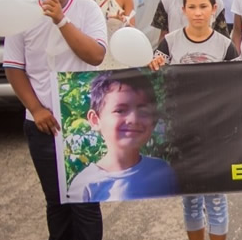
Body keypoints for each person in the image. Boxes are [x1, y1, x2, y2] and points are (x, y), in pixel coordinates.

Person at [4, 0, 106, 240]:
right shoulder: (22, 16)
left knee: (85, 202)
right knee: (57, 202)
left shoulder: (87, 10)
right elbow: (14, 67)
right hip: (42, 124)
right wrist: (36, 109)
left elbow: (95, 55)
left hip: (82, 123)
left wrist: (61, 20)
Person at [150, 0, 236, 240]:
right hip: (182, 133)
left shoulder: (226, 46)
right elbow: (153, 81)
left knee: (216, 199)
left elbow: (241, 87)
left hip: (215, 134)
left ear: (214, 9)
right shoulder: (169, 42)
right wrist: (153, 67)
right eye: (192, 7)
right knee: (190, 200)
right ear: (183, 9)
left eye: (204, 7)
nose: (198, 13)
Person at [64, 72, 178, 202]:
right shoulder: (85, 186)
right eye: (120, 111)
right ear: (95, 120)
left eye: (143, 111)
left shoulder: (163, 171)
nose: (133, 119)